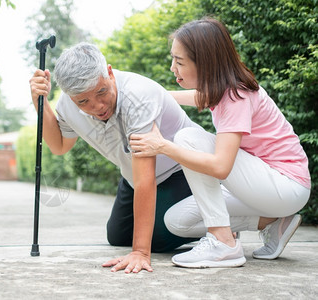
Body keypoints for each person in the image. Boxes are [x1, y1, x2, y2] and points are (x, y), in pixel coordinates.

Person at [129, 17, 311, 268]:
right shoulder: (220, 89)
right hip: (264, 186)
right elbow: (197, 97)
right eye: (173, 59)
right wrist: (154, 95)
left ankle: (223, 243)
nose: (173, 68)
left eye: (179, 61)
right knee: (177, 221)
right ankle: (271, 222)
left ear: (205, 63)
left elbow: (221, 167)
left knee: (187, 139)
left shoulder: (236, 95)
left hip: (285, 184)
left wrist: (162, 146)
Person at [29, 42, 203, 273]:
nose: (97, 106)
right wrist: (39, 102)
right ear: (70, 97)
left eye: (101, 92)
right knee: (118, 236)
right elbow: (59, 146)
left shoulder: (137, 96)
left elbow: (145, 180)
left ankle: (221, 218)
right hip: (133, 176)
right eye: (83, 101)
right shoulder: (68, 105)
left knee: (156, 241)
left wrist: (141, 253)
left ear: (109, 73)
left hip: (182, 170)